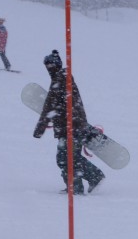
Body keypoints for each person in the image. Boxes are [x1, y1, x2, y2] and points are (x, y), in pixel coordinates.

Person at [33, 50, 105, 194]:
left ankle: (81, 184)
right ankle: (81, 182)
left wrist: (40, 129)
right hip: (71, 127)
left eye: (50, 66)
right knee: (68, 157)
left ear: (55, 65)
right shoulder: (62, 79)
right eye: (47, 66)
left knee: (67, 158)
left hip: (72, 128)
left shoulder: (61, 80)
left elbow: (49, 107)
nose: (48, 69)